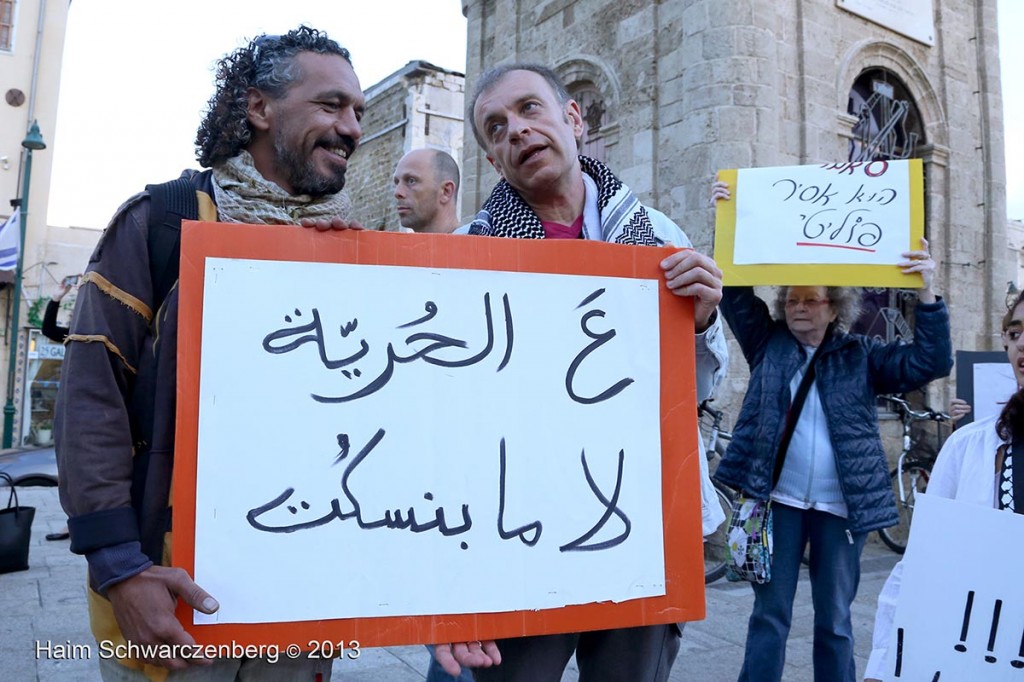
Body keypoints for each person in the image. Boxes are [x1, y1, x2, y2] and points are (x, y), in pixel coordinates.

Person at [54, 26, 363, 680]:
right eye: (331, 105)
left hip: (300, 605)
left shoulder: (341, 252)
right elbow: (90, 402)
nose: (353, 127)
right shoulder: (158, 224)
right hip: (172, 601)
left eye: (359, 112)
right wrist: (119, 569)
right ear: (259, 109)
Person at [435, 63, 730, 682]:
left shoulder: (660, 240)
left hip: (642, 523)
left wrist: (699, 323)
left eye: (529, 110)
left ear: (573, 119)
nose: (516, 130)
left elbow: (697, 392)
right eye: (496, 126)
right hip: (520, 531)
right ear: (492, 159)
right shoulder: (462, 255)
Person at [710, 180, 953, 682]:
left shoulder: (861, 356)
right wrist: (728, 219)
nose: (799, 307)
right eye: (792, 299)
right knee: (769, 617)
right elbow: (734, 292)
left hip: (842, 509)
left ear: (834, 306)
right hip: (779, 504)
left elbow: (931, 359)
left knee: (836, 622)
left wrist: (926, 289)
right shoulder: (767, 343)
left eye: (812, 299)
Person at [864, 289, 1024, 681]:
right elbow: (922, 561)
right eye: (1016, 332)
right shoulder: (970, 446)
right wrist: (882, 663)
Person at [42, 278, 74, 541]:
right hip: (72, 404)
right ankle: (72, 523)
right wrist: (56, 298)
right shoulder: (73, 334)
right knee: (68, 466)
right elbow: (49, 329)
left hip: (92, 406)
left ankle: (77, 523)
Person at [393, 148, 460, 233]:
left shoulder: (475, 245)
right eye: (396, 183)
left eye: (411, 181)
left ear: (446, 191)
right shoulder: (393, 246)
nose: (397, 193)